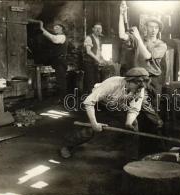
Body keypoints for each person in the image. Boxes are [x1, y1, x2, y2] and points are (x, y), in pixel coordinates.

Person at [60, 67, 149, 158]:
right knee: (88, 130)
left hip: (115, 104)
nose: (140, 89)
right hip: (98, 103)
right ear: (128, 81)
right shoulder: (112, 84)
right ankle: (67, 146)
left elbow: (134, 109)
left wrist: (128, 123)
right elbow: (89, 102)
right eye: (137, 85)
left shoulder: (139, 88)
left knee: (133, 125)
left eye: (142, 86)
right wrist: (94, 124)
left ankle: (132, 158)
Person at [119, 2, 168, 155]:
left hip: (153, 82)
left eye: (156, 27)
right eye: (150, 27)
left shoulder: (161, 44)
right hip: (138, 81)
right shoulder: (138, 40)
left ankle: (157, 148)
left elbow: (147, 55)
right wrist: (121, 14)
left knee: (150, 112)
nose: (153, 30)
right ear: (145, 27)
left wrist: (139, 38)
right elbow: (122, 35)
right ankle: (143, 151)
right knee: (138, 113)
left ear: (159, 30)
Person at [39, 21, 68, 102]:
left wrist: (42, 29)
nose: (55, 29)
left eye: (57, 27)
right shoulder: (57, 36)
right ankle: (61, 98)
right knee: (60, 80)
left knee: (61, 81)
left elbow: (54, 39)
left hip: (61, 61)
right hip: (57, 61)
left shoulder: (62, 37)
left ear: (62, 29)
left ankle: (63, 99)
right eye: (54, 28)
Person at [83, 22, 107, 93]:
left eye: (100, 28)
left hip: (95, 64)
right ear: (93, 29)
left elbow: (98, 51)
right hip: (89, 63)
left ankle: (94, 98)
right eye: (96, 28)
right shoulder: (89, 38)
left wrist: (103, 58)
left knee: (96, 82)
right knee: (90, 81)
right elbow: (88, 51)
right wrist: (99, 60)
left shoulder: (99, 39)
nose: (98, 30)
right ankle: (88, 98)